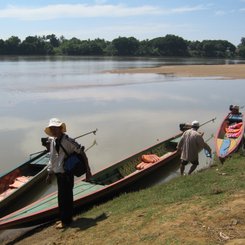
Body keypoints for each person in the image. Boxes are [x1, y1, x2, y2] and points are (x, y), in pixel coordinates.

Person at [44, 118, 92, 229]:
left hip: (66, 173)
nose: (54, 130)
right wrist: (49, 173)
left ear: (61, 129)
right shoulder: (53, 141)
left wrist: (88, 171)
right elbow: (52, 158)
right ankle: (64, 219)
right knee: (61, 198)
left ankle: (66, 221)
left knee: (66, 198)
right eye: (52, 129)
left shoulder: (68, 141)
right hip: (58, 174)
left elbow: (82, 153)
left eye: (55, 128)